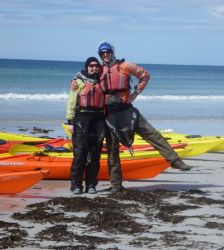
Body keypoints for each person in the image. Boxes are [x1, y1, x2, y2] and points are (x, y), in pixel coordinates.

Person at [97, 41, 191, 193]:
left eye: (107, 52)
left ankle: (175, 161)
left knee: (152, 134)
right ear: (100, 55)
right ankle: (116, 185)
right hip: (109, 114)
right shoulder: (98, 70)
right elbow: (85, 81)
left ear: (112, 52)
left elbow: (145, 75)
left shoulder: (125, 66)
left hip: (127, 110)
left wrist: (135, 93)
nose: (105, 55)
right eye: (102, 53)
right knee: (112, 151)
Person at [66, 57, 106, 194]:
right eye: (91, 66)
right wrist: (70, 121)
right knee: (80, 154)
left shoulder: (103, 82)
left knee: (95, 155)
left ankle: (91, 185)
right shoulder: (78, 81)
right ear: (87, 67)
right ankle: (76, 185)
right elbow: (72, 101)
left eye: (96, 66)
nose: (94, 68)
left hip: (99, 120)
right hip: (81, 118)